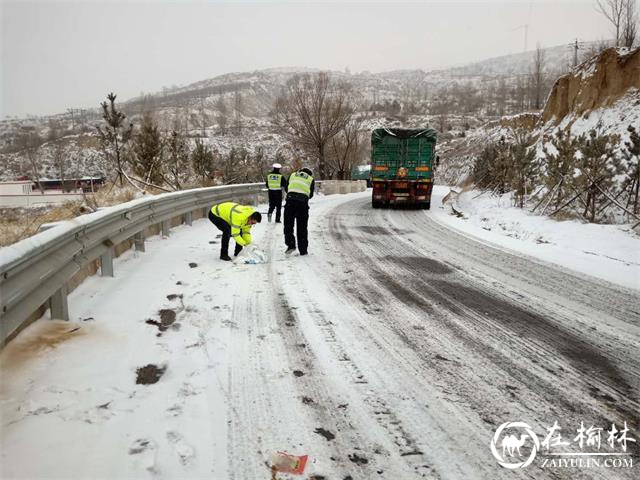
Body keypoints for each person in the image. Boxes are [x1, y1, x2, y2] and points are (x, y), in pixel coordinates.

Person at [283, 167, 315, 256]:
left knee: (288, 225)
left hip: (290, 202)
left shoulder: (292, 175)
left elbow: (286, 188)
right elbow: (311, 194)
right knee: (302, 227)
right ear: (309, 174)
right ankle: (303, 250)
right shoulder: (310, 179)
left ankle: (291, 245)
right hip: (302, 204)